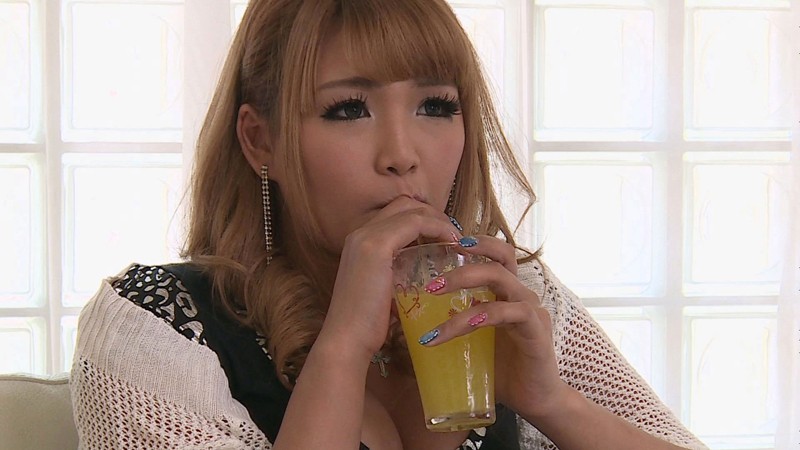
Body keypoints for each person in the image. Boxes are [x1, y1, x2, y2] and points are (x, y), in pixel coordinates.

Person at [70, 0, 708, 449]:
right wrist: (344, 345)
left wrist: (552, 403)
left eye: (436, 105)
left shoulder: (513, 298)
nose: (402, 154)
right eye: (349, 109)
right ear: (260, 140)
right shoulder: (157, 326)